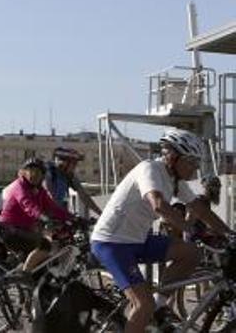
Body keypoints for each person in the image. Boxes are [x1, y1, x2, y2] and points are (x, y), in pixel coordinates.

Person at [90, 128, 231, 333]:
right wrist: (191, 229)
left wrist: (229, 235)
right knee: (142, 305)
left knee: (192, 253)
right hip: (112, 242)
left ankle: (158, 306)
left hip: (138, 240)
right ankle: (149, 309)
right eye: (191, 161)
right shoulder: (150, 169)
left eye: (197, 163)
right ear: (173, 157)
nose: (195, 168)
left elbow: (199, 209)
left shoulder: (175, 181)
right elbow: (158, 204)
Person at [0, 157, 74, 274]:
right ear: (23, 172)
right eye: (30, 170)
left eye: (38, 172)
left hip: (25, 230)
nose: (33, 174)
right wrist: (44, 218)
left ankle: (23, 278)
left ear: (43, 175)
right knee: (45, 245)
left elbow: (53, 208)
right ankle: (23, 277)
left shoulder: (40, 190)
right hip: (10, 230)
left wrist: (72, 218)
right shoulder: (19, 186)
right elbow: (29, 206)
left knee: (42, 266)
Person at [45, 146, 102, 216]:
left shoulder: (68, 176)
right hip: (47, 216)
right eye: (74, 163)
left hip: (60, 214)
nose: (75, 166)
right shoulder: (49, 173)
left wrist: (101, 213)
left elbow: (84, 196)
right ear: (65, 163)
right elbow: (50, 197)